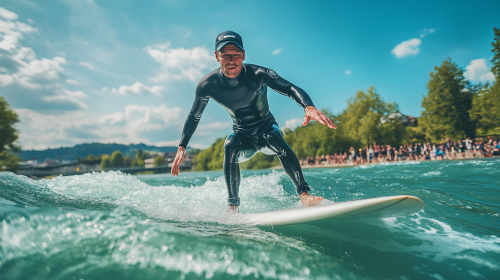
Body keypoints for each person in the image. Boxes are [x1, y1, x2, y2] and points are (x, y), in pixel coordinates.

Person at [170, 31, 337, 212]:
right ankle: (233, 207)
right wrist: (182, 146)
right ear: (217, 56)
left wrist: (308, 107)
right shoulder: (207, 85)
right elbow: (195, 116)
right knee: (229, 145)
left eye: (235, 54)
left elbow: (289, 88)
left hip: (266, 128)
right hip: (243, 136)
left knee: (275, 138)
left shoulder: (259, 74)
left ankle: (304, 195)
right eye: (225, 55)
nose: (231, 60)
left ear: (243, 54)